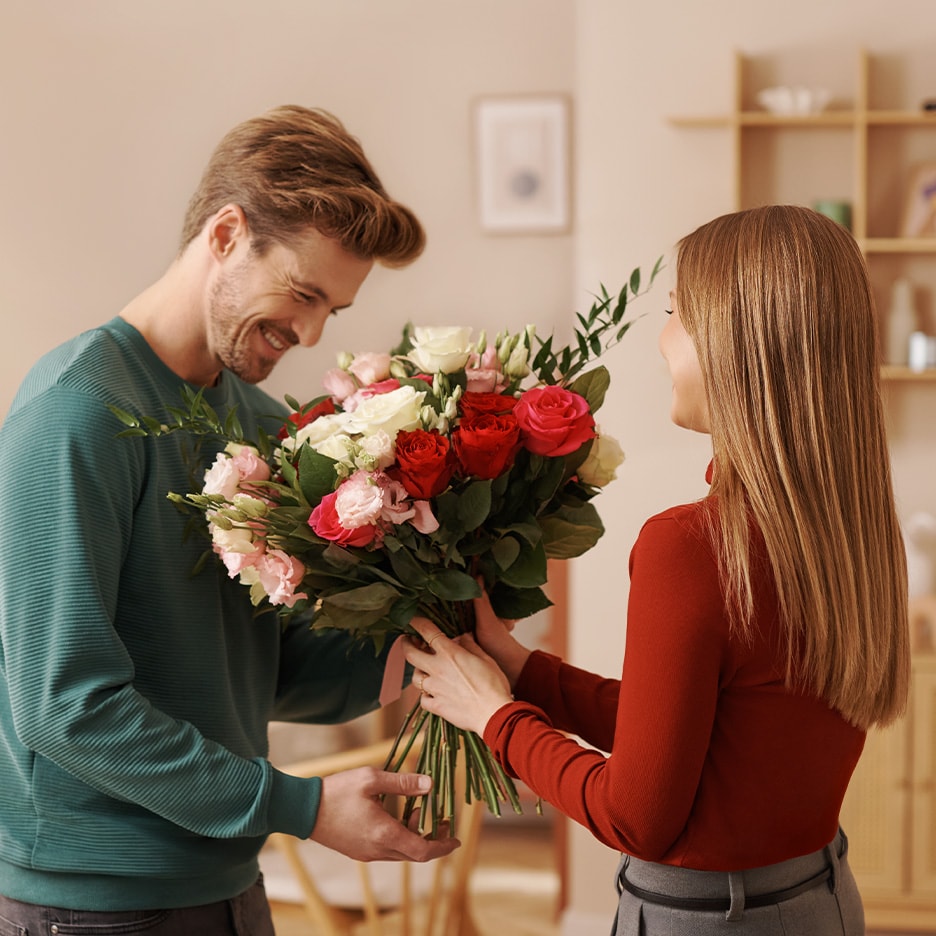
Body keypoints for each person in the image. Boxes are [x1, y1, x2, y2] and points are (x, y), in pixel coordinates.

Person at [0, 106, 457, 933]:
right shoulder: (78, 411)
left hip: (230, 884)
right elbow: (64, 705)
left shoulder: (258, 420)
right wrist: (302, 807)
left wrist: (425, 641)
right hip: (94, 904)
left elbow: (253, 665)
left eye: (333, 312)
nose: (311, 331)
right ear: (225, 233)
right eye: (303, 292)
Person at [403, 205, 911, 935]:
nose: (662, 341)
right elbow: (693, 735)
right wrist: (518, 668)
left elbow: (633, 815)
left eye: (676, 314)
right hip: (820, 897)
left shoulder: (692, 545)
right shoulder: (852, 533)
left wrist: (494, 718)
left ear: (739, 344)